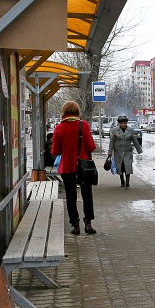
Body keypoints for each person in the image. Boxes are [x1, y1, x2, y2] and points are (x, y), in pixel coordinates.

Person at [51, 101, 97, 235]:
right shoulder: (84, 125)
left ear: (63, 112)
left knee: (71, 196)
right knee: (87, 195)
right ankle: (88, 224)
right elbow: (91, 147)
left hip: (67, 167)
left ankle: (75, 225)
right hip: (84, 166)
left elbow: (55, 151)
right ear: (77, 111)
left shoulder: (59, 128)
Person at [108, 115, 143, 187]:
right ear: (119, 123)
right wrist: (110, 152)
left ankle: (127, 182)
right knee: (120, 167)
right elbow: (112, 142)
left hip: (128, 151)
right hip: (118, 151)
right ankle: (122, 181)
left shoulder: (130, 130)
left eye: (125, 123)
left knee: (128, 166)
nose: (123, 125)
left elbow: (135, 140)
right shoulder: (115, 130)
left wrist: (139, 150)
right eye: (122, 123)